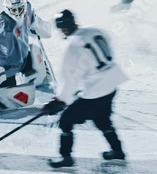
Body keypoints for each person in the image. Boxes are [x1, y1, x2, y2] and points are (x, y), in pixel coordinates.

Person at [42, 10, 128, 168]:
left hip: (95, 92)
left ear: (62, 28)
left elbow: (68, 80)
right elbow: (106, 44)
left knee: (66, 121)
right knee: (102, 119)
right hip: (112, 84)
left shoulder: (72, 45)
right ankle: (118, 151)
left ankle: (66, 157)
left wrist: (58, 101)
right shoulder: (94, 30)